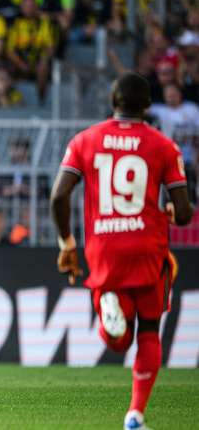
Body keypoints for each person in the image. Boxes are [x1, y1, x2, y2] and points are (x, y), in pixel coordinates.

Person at [50, 72, 194, 430]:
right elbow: (186, 211)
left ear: (113, 103)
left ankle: (109, 318)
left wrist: (67, 241)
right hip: (148, 247)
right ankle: (134, 415)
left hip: (104, 246)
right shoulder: (163, 146)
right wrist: (175, 212)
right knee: (148, 331)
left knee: (117, 343)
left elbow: (59, 196)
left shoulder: (85, 140)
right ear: (148, 106)